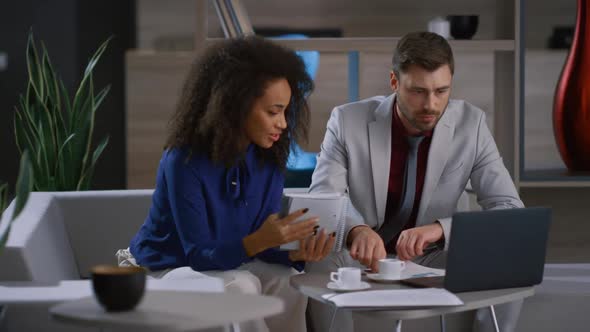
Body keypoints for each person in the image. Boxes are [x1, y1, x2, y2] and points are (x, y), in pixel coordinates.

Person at [306, 31, 524, 332]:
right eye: (418, 91)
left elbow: (509, 208)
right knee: (323, 255)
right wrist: (356, 230)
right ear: (394, 82)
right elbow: (323, 197)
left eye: (441, 91)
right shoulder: (347, 121)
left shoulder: (471, 125)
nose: (431, 105)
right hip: (359, 255)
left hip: (429, 256)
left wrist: (441, 229)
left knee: (507, 257)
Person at [123, 36, 336, 332]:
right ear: (236, 105)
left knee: (288, 279)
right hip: (167, 268)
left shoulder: (268, 159)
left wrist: (293, 253)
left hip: (229, 264)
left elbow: (257, 245)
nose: (283, 124)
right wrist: (261, 240)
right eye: (273, 112)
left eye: (286, 111)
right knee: (242, 285)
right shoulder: (184, 162)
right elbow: (198, 254)